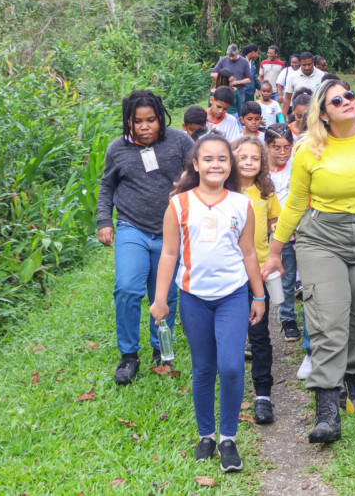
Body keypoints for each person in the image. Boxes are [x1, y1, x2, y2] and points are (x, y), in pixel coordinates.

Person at [258, 79, 355, 444]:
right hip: (321, 239)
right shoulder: (308, 150)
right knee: (328, 317)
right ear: (323, 113)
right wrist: (274, 252)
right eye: (337, 99)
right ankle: (327, 412)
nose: (348, 101)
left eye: (349, 94)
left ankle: (351, 380)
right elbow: (297, 202)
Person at [148, 133, 265, 470]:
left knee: (230, 367)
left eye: (222, 159)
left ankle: (228, 438)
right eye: (209, 159)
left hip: (232, 296)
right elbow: (169, 253)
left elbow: (249, 253)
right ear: (196, 164)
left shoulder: (241, 204)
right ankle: (207, 435)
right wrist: (159, 300)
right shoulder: (179, 204)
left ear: (230, 166)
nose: (216, 164)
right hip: (193, 297)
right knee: (203, 368)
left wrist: (258, 294)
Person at [97, 91, 191, 385]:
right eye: (137, 121)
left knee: (165, 294)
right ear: (129, 122)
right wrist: (104, 221)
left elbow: (199, 170)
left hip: (171, 231)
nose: (145, 126)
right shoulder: (118, 149)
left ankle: (160, 348)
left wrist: (187, 187)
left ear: (161, 118)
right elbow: (106, 186)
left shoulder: (179, 142)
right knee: (126, 288)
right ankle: (128, 355)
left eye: (151, 119)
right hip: (131, 227)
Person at [230, 136, 281, 426]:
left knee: (259, 334)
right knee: (232, 335)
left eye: (255, 158)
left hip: (258, 272)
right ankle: (232, 390)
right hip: (227, 274)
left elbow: (275, 221)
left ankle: (263, 394)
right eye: (243, 157)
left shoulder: (265, 192)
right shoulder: (223, 191)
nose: (249, 162)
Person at [265, 124, 301, 343]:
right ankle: (287, 317)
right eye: (276, 148)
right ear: (267, 146)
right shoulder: (260, 170)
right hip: (276, 233)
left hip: (300, 228)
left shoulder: (296, 166)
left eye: (287, 147)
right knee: (284, 276)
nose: (283, 153)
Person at [212, 44, 254, 112]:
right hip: (224, 90)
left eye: (233, 56)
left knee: (239, 109)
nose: (231, 58)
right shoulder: (223, 60)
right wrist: (224, 78)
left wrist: (236, 82)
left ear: (237, 53)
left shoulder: (244, 62)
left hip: (239, 90)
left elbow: (249, 79)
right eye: (229, 56)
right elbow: (213, 73)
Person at [282, 52, 325, 116]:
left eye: (309, 64)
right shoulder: (292, 77)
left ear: (313, 62)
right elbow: (287, 98)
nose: (307, 68)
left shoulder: (322, 76)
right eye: (304, 65)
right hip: (298, 115)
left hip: (316, 114)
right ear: (300, 63)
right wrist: (284, 116)